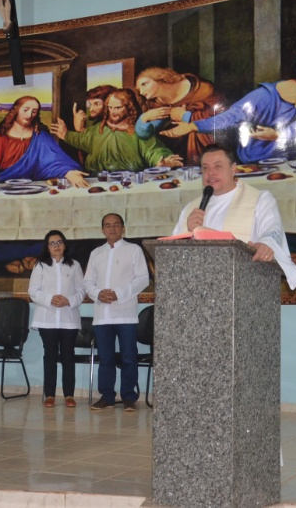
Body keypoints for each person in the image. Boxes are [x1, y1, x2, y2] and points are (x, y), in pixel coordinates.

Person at [161, 51, 296, 163]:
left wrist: (280, 135)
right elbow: (231, 117)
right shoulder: (264, 96)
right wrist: (193, 125)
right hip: (261, 160)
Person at [173, 143, 296, 290]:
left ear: (233, 168)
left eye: (218, 166)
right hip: (200, 290)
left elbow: (272, 230)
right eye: (205, 168)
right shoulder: (191, 210)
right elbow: (173, 257)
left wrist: (266, 244)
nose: (211, 173)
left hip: (245, 286)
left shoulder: (260, 199)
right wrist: (188, 236)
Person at [84, 213, 149, 412]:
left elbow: (142, 279)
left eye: (116, 225)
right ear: (102, 229)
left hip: (126, 313)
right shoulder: (96, 253)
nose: (112, 229)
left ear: (123, 228)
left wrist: (118, 294)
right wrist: (98, 293)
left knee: (129, 356)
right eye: (107, 225)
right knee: (106, 358)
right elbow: (88, 282)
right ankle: (107, 397)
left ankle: (129, 397)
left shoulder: (134, 250)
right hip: (102, 314)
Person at [0, 96, 89, 188]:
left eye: (34, 111)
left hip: (35, 189)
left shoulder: (40, 136)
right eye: (25, 110)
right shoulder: (0, 138)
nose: (29, 114)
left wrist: (69, 172)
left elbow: (55, 160)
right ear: (16, 110)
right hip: (3, 188)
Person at [52, 89, 183, 173]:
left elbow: (154, 150)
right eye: (110, 108)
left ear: (128, 108)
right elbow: (82, 139)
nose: (113, 112)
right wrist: (65, 134)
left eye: (118, 108)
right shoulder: (98, 130)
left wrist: (163, 161)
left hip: (130, 183)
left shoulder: (138, 133)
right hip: (97, 181)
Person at [28, 230, 85, 409]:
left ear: (65, 245)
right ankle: (50, 395)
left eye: (59, 242)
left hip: (69, 317)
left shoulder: (74, 265)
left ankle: (69, 395)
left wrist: (69, 300)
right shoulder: (40, 266)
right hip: (48, 318)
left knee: (68, 356)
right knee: (50, 357)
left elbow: (82, 291)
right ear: (47, 247)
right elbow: (33, 291)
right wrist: (49, 299)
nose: (56, 246)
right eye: (52, 243)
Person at [133, 67, 228, 165]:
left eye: (144, 84)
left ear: (160, 78)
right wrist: (144, 118)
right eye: (139, 89)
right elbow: (145, 134)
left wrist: (186, 116)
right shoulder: (156, 104)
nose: (141, 92)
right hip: (176, 151)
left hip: (204, 146)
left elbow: (222, 116)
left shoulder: (202, 89)